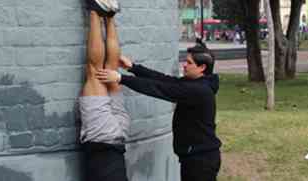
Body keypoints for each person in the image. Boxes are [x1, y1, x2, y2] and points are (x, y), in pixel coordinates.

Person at [97, 40, 222, 181]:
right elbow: (165, 80)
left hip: (200, 160)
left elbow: (159, 88)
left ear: (202, 68)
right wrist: (133, 67)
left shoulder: (198, 90)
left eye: (189, 62)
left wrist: (120, 78)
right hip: (197, 156)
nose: (184, 65)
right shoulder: (197, 84)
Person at [79, 0, 130, 181]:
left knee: (112, 70)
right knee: (95, 72)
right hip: (104, 137)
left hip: (120, 133)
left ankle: (110, 14)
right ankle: (95, 10)